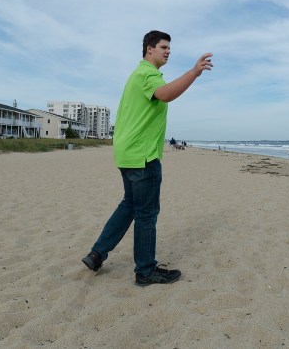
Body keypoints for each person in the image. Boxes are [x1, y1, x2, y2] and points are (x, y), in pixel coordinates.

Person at [82, 30, 213, 286]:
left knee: (129, 205)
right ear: (149, 49)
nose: (167, 52)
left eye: (169, 49)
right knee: (146, 213)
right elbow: (165, 93)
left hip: (128, 153)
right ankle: (145, 271)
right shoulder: (146, 74)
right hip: (142, 156)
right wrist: (194, 73)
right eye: (163, 47)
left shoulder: (139, 75)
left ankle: (97, 254)